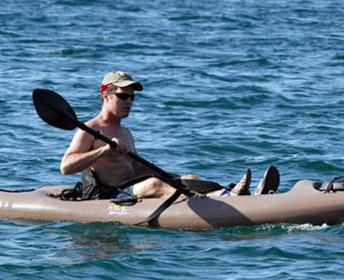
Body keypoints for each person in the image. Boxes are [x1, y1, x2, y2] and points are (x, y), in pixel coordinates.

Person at [59, 71, 256, 201]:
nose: (129, 102)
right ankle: (216, 203)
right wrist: (103, 150)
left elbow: (135, 169)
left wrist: (174, 178)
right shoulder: (89, 130)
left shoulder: (125, 132)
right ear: (105, 96)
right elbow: (66, 167)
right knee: (154, 184)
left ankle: (226, 194)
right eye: (123, 96)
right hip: (108, 196)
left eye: (132, 97)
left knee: (189, 177)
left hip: (130, 187)